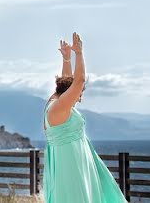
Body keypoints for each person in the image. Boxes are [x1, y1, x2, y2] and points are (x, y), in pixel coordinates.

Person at [43, 32, 126, 202]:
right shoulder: (57, 108)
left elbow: (68, 83)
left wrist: (67, 60)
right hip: (70, 166)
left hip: (77, 161)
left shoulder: (57, 104)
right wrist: (78, 53)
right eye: (78, 94)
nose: (79, 97)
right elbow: (78, 80)